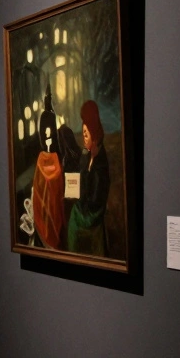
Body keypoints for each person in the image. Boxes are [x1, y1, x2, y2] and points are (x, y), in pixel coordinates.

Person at [66, 100, 109, 256]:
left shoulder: (100, 162)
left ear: (94, 133)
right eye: (82, 133)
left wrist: (80, 194)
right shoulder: (86, 154)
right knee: (72, 221)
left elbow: (97, 197)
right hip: (82, 207)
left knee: (74, 221)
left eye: (86, 133)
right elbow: (80, 175)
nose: (83, 137)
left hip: (93, 213)